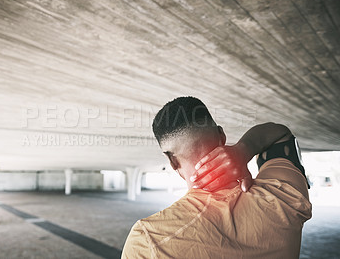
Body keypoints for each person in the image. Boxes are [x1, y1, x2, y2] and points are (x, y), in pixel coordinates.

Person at [122, 96, 311, 258]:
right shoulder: (283, 196)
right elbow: (281, 134)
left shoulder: (149, 241)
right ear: (222, 135)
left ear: (172, 162)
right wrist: (244, 149)